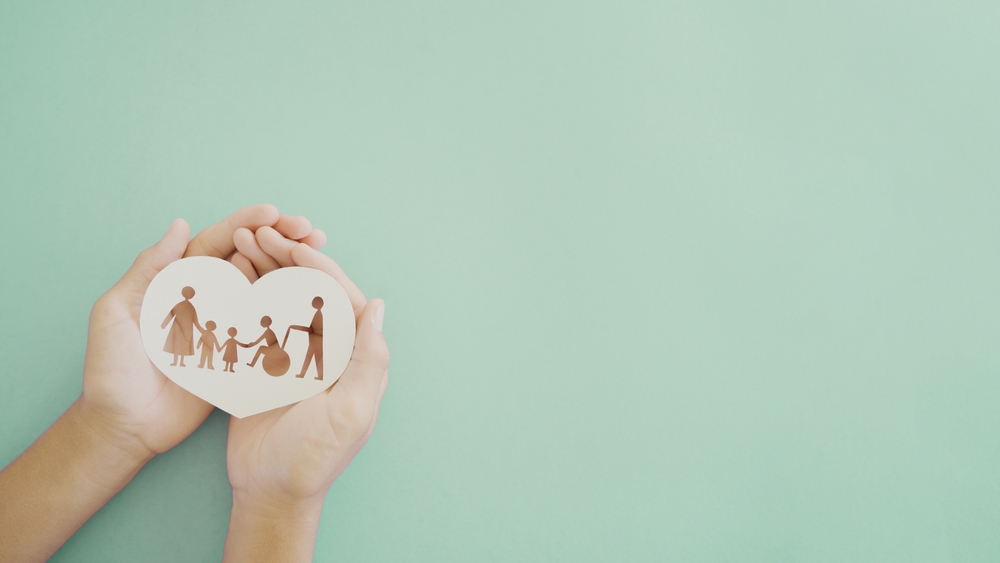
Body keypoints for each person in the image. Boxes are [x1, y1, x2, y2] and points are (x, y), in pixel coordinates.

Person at [0, 205, 390, 563]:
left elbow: (242, 340)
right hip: (205, 345)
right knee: (206, 351)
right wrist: (108, 428)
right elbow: (190, 326)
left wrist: (279, 500)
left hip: (240, 352)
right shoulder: (184, 309)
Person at [162, 286, 202, 367]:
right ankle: (177, 362)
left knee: (182, 345)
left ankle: (180, 362)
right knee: (178, 344)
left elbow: (195, 320)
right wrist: (164, 325)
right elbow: (171, 314)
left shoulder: (189, 307)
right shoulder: (188, 306)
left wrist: (164, 325)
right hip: (179, 328)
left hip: (186, 329)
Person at [291, 296, 324, 380]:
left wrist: (297, 328)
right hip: (315, 340)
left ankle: (315, 375)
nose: (312, 302)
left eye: (314, 301)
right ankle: (310, 375)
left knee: (311, 357)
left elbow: (312, 329)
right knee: (313, 357)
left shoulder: (318, 314)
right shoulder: (317, 314)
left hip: (316, 340)